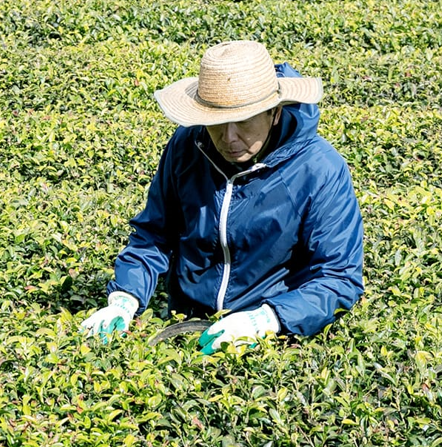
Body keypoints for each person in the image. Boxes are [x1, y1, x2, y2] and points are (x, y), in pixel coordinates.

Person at [81, 40, 364, 354]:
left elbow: (338, 277)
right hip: (185, 323)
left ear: (274, 113)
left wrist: (268, 319)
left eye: (243, 122)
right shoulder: (187, 146)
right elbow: (155, 233)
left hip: (275, 338)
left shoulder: (320, 169)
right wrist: (125, 298)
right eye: (217, 122)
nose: (229, 139)